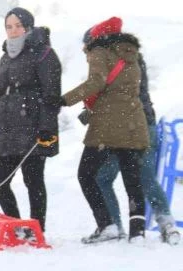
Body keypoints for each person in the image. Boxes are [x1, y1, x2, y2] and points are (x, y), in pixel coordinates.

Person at [55, 17, 148, 243]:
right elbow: (121, 89)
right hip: (133, 123)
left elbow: (96, 83)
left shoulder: (99, 50)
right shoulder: (130, 54)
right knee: (132, 179)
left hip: (107, 127)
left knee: (86, 175)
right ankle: (138, 232)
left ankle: (106, 225)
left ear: (96, 37)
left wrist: (63, 100)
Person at [0, 7, 61, 237]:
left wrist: (46, 127)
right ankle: (15, 225)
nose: (13, 31)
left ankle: (37, 229)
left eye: (18, 26)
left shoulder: (44, 53)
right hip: (7, 127)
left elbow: (51, 95)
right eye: (9, 26)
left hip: (33, 125)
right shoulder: (6, 55)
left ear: (28, 26)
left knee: (33, 181)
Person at [93, 43, 179, 244]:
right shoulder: (132, 57)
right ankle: (167, 223)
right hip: (145, 123)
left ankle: (114, 226)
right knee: (145, 177)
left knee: (103, 177)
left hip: (125, 128)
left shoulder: (112, 61)